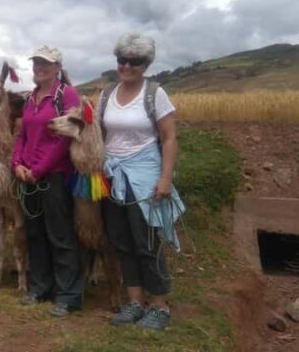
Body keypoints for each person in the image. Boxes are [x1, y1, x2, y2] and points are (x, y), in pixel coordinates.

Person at [99, 32, 186, 330]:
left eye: (134, 61)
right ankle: (134, 302)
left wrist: (165, 178)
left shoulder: (154, 94)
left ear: (145, 64)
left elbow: (169, 137)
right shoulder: (107, 94)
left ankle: (160, 305)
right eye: (122, 59)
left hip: (144, 175)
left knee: (146, 240)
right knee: (121, 240)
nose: (126, 66)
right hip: (113, 175)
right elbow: (100, 133)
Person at [12, 46, 85, 318]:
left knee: (60, 234)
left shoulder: (66, 95)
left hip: (53, 176)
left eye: (46, 63)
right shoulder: (32, 97)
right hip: (28, 175)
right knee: (35, 233)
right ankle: (41, 287)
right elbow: (23, 135)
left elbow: (66, 137)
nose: (39, 67)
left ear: (57, 67)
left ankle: (68, 295)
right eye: (37, 63)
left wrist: (39, 169)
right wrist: (16, 163)